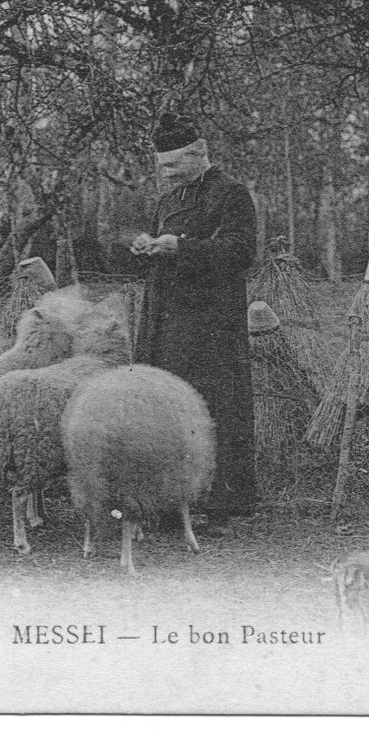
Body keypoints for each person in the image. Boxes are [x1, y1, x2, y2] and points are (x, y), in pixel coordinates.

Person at [130, 112, 259, 531]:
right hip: (164, 321)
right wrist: (145, 248)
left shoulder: (231, 194)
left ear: (199, 153)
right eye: (161, 166)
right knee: (167, 410)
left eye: (173, 165)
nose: (165, 174)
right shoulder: (167, 201)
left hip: (210, 325)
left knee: (214, 408)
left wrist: (182, 248)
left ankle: (221, 507)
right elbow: (159, 250)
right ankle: (172, 503)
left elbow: (241, 252)